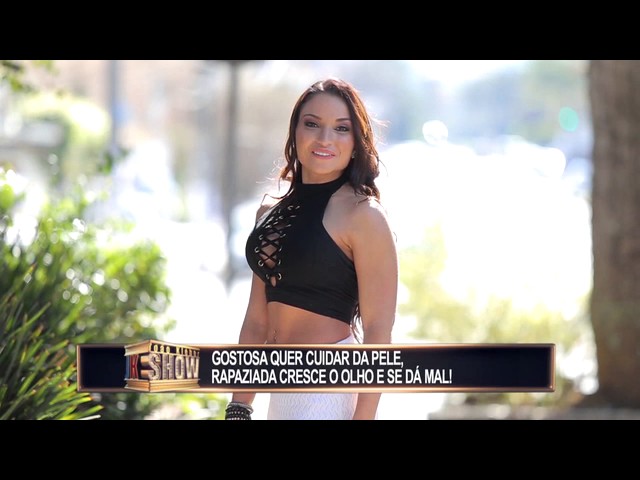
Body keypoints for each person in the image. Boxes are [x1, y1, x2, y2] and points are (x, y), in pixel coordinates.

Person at [225, 78, 398, 420]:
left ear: (356, 141)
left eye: (341, 128)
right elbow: (257, 321)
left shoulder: (364, 216)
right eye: (313, 124)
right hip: (280, 389)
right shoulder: (269, 214)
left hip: (327, 388)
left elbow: (379, 331)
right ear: (295, 132)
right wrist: (239, 406)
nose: (325, 139)